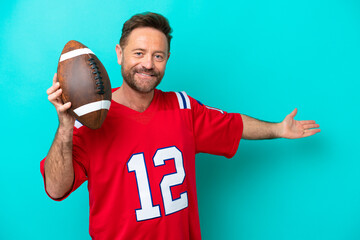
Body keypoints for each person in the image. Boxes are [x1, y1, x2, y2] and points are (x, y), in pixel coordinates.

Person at [41, 12, 320, 240]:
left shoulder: (182, 106)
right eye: (139, 53)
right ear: (119, 53)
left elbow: (234, 124)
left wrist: (278, 129)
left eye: (158, 56)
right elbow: (55, 189)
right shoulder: (90, 120)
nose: (148, 64)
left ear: (167, 60)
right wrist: (65, 125)